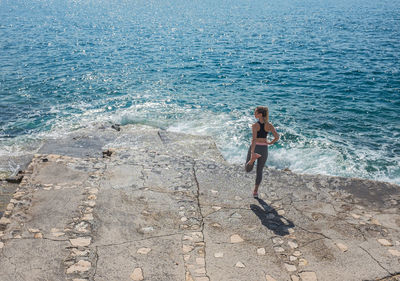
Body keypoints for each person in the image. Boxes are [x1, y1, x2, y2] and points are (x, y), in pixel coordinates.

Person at [245, 106, 279, 198]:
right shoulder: (269, 125)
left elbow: (254, 140)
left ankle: (252, 160)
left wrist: (252, 152)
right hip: (264, 148)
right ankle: (255, 192)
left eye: (255, 112)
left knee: (248, 169)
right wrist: (270, 142)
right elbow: (277, 136)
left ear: (260, 114)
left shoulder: (255, 125)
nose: (254, 114)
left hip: (255, 148)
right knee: (259, 170)